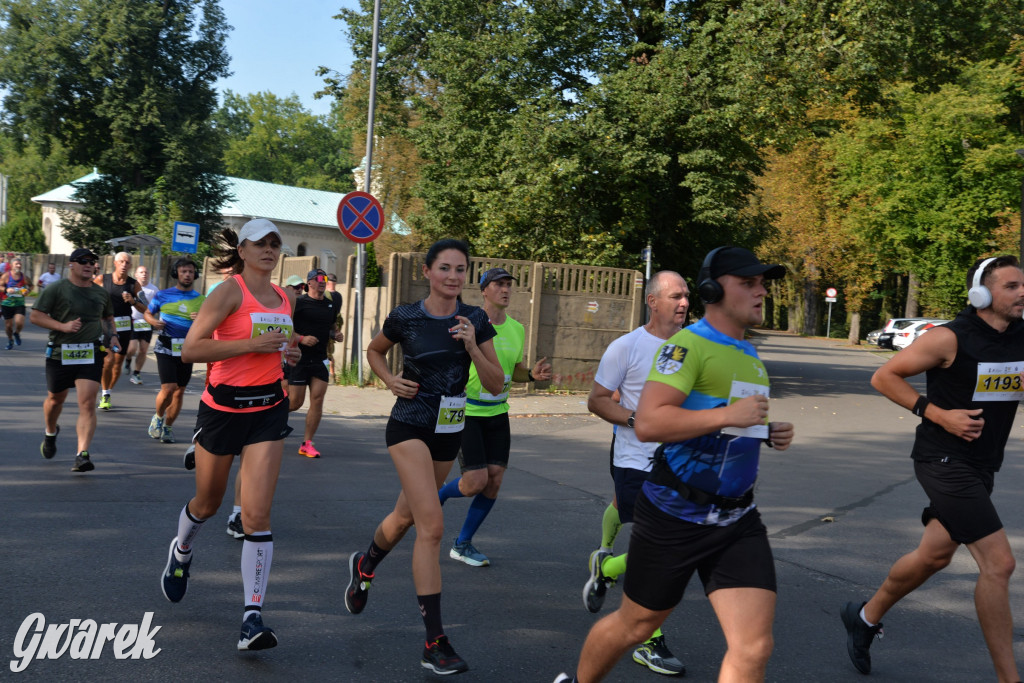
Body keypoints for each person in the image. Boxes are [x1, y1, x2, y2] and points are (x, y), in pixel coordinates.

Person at [555, 246, 794, 683]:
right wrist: (727, 415)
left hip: (736, 517)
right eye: (749, 283)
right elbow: (648, 422)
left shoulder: (749, 354)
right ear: (713, 290)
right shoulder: (688, 347)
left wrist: (766, 430)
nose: (762, 291)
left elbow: (729, 423)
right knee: (636, 625)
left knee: (754, 646)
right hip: (675, 514)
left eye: (763, 283)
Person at [840, 255, 1024, 682]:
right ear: (982, 293)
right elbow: (885, 377)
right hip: (942, 460)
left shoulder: (1019, 338)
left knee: (934, 556)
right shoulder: (949, 338)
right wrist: (939, 414)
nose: (1021, 293)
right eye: (1011, 286)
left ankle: (864, 618)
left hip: (983, 464)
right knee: (999, 564)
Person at [344, 238, 503, 675]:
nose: (454, 276)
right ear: (429, 272)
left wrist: (472, 346)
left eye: (461, 269)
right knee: (432, 525)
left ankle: (366, 563)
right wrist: (389, 380)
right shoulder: (406, 317)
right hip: (408, 426)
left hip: (448, 431)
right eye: (446, 268)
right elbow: (375, 351)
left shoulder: (475, 319)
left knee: (406, 516)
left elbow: (495, 384)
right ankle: (434, 642)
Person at [160, 218, 300, 651]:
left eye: (275, 244)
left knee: (256, 516)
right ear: (242, 250)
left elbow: (282, 345)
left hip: (267, 411)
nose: (269, 251)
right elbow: (191, 349)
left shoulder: (284, 297)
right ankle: (181, 551)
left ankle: (251, 618)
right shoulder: (228, 292)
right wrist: (247, 347)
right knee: (209, 501)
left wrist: (289, 351)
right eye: (260, 244)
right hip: (222, 410)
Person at [581, 270, 689, 677]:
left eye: (687, 297)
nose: (683, 303)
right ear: (653, 301)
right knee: (660, 551)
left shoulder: (692, 346)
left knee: (663, 545)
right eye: (675, 296)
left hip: (679, 462)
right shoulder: (626, 347)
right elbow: (596, 400)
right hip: (635, 460)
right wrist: (636, 419)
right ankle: (649, 642)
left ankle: (604, 565)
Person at [437, 267, 552, 566]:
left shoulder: (517, 328)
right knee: (475, 481)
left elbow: (512, 370)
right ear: (484, 290)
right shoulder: (468, 322)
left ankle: (462, 544)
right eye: (498, 285)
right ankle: (439, 495)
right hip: (468, 410)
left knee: (494, 482)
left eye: (508, 285)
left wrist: (530, 374)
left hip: (498, 412)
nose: (505, 290)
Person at [30, 247, 119, 472]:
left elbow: (108, 318)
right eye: (82, 261)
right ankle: (51, 432)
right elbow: (35, 315)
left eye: (91, 262)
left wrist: (114, 337)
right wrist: (62, 326)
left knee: (87, 403)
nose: (88, 265)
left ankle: (82, 454)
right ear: (71, 264)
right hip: (60, 353)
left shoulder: (100, 293)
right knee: (54, 400)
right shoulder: (57, 289)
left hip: (90, 353)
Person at [144, 258, 204, 444]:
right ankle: (159, 417)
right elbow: (148, 313)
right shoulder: (162, 295)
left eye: (190, 271)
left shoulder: (202, 300)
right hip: (165, 346)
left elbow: (212, 325)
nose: (187, 274)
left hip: (187, 348)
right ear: (176, 273)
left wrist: (200, 319)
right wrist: (153, 322)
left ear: (195, 274)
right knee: (169, 388)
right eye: (183, 271)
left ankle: (168, 427)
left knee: (179, 391)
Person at [288, 268, 343, 458]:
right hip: (299, 358)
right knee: (295, 402)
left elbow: (331, 327)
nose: (322, 281)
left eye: (325, 278)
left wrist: (335, 334)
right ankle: (267, 419)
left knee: (317, 400)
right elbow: (285, 328)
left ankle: (307, 443)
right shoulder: (299, 303)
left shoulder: (330, 305)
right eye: (318, 278)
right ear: (309, 283)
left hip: (320, 358)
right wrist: (301, 338)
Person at [94, 252, 145, 410]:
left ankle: (108, 391)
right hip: (106, 325)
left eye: (127, 262)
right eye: (121, 261)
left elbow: (146, 308)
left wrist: (133, 301)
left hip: (124, 327)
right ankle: (105, 393)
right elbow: (89, 296)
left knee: (117, 363)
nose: (124, 264)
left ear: (130, 266)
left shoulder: (134, 284)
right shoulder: (103, 279)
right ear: (115, 263)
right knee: (108, 361)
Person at [125, 264, 159, 385]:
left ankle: (136, 373)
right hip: (134, 320)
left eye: (146, 272)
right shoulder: (132, 287)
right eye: (141, 272)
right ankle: (128, 359)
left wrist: (154, 318)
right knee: (132, 348)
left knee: (143, 350)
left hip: (146, 322)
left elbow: (157, 306)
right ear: (136, 274)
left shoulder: (154, 289)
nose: (144, 274)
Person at [1, 257, 30, 349]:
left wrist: (27, 291)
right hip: (7, 304)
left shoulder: (24, 277)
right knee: (9, 326)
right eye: (16, 264)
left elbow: (31, 286)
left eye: (20, 264)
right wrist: (6, 289)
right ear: (11, 265)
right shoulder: (6, 276)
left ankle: (16, 333)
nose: (19, 265)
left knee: (19, 323)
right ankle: (10, 340)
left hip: (19, 304)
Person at [325, 273, 342, 383]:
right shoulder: (339, 296)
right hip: (336, 324)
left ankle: (328, 375)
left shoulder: (326, 295)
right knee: (330, 351)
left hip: (327, 325)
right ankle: (332, 374)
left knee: (325, 352)